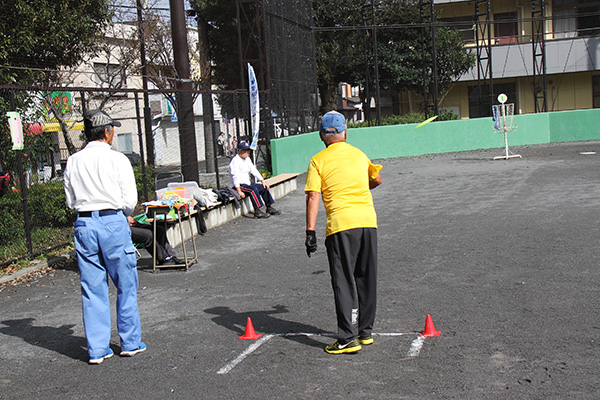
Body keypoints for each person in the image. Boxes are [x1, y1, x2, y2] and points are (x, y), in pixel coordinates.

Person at [64, 109, 146, 364]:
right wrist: (121, 213)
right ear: (107, 132)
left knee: (92, 287)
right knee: (125, 283)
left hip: (85, 224)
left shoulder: (73, 161)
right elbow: (129, 201)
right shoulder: (118, 159)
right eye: (113, 130)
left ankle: (97, 349)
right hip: (112, 221)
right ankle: (130, 342)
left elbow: (70, 201)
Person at [304, 110, 383, 355]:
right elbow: (377, 180)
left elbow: (313, 196)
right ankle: (365, 332)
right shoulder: (359, 155)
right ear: (345, 132)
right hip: (368, 222)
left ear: (321, 136)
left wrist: (310, 231)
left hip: (341, 226)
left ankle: (348, 337)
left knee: (344, 280)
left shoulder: (318, 160)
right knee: (366, 277)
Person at [228, 141, 280, 218]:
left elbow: (254, 170)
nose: (247, 152)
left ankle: (269, 207)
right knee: (253, 190)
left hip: (247, 183)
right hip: (238, 185)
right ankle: (257, 211)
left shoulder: (247, 159)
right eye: (244, 151)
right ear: (239, 150)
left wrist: (263, 181)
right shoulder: (235, 161)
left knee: (263, 187)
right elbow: (235, 176)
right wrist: (239, 191)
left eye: (248, 150)